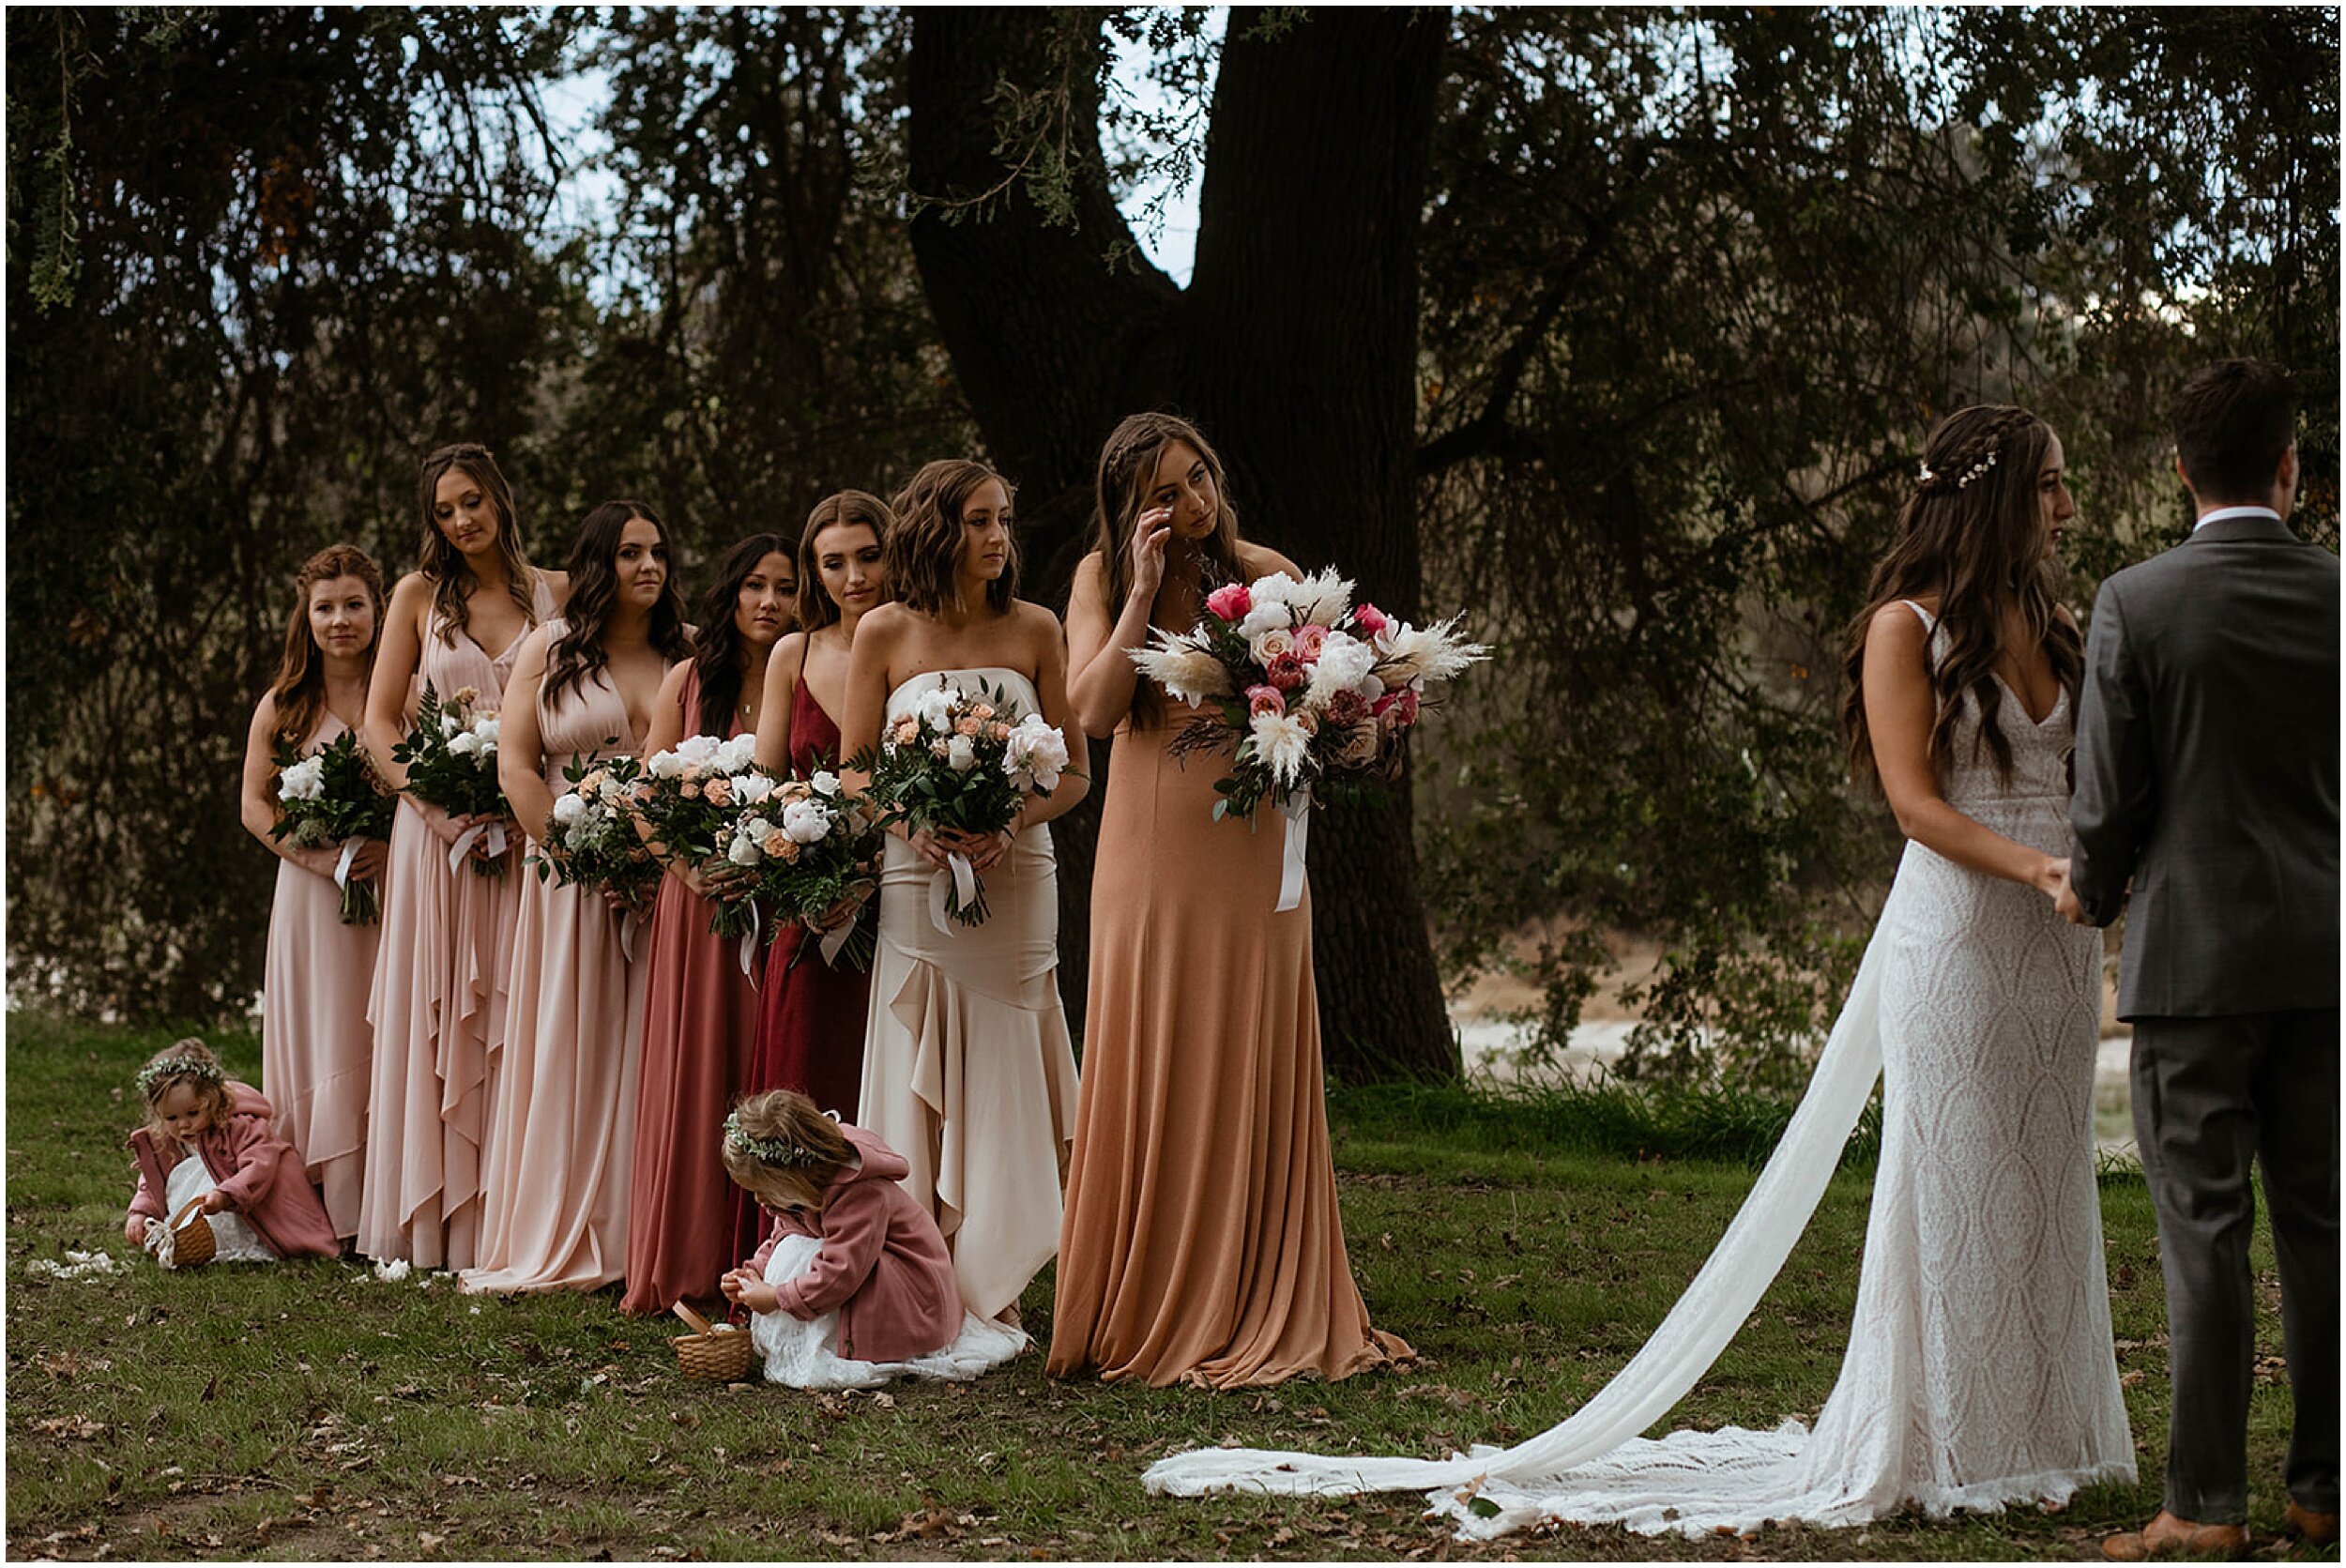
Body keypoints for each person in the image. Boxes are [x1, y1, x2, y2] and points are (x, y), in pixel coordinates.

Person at [1146, 404, 2136, 1535]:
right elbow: (1914, 806)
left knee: (2045, 1179)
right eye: (2050, 484)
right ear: (1996, 493)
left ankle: (2047, 1432)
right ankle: (1948, 1435)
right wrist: (2034, 866)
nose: (2065, 505)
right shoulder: (1902, 629)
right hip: (1963, 933)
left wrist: (2107, 867)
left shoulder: (2057, 623)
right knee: (1954, 1179)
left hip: (2055, 945)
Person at [1048, 412, 1413, 1387]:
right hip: (1148, 839)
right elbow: (1087, 708)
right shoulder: (1096, 579)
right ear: (1130, 505)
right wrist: (1134, 591)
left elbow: (1332, 704)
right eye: (1166, 491)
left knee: (1247, 1034)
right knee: (1155, 1035)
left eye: (1198, 476)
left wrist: (1349, 719)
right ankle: (1147, 1289)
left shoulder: (1267, 572)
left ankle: (1256, 1283)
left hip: (1254, 838)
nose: (1193, 502)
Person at [2059, 359, 2339, 1560]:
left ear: (2180, 470)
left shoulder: (2136, 600)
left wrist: (2092, 883)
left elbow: (2109, 790)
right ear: (2289, 467)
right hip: (2328, 957)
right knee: (2325, 1229)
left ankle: (2203, 1506)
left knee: (2204, 1227)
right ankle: (2324, 1492)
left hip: (2189, 961)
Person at [835, 458, 1087, 1327]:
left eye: (1005, 521)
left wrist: (1011, 822)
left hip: (1018, 877)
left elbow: (1076, 773)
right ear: (938, 528)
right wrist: (914, 827)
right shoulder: (883, 634)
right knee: (919, 1050)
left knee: (1012, 1048)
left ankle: (1000, 1274)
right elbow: (856, 770)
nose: (998, 539)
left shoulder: (1037, 629)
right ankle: (917, 1269)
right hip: (918, 875)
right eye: (981, 521)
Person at [461, 501, 688, 1295]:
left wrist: (662, 857)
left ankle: (648, 1224)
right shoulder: (549, 649)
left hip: (667, 881)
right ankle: (567, 1223)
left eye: (657, 551)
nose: (648, 566)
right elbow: (518, 766)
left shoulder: (687, 653)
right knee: (574, 1033)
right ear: (598, 563)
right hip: (571, 879)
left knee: (656, 1041)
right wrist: (573, 849)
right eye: (629, 553)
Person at [358, 443, 564, 1269]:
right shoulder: (417, 596)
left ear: (501, 498)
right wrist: (432, 803)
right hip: (433, 838)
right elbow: (379, 724)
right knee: (440, 1012)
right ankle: (432, 1227)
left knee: (516, 1014)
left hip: (522, 837)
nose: (461, 520)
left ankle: (507, 1222)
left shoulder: (556, 592)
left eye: (471, 501)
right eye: (444, 510)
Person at [621, 532, 796, 1317]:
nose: (769, 601)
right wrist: (688, 872)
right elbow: (643, 796)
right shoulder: (689, 680)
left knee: (771, 1069)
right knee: (702, 1075)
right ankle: (692, 1254)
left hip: (782, 903)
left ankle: (769, 1259)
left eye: (785, 587)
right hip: (699, 911)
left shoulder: (815, 674)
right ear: (729, 597)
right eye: (754, 585)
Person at [238, 544, 389, 1243]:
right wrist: (324, 855)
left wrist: (388, 844)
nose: (340, 620)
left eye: (353, 604)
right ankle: (318, 1199)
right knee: (324, 1024)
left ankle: (384, 1194)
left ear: (376, 608)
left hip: (390, 888)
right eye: (325, 607)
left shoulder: (402, 694)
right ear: (306, 615)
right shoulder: (286, 705)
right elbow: (255, 806)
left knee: (376, 1024)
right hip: (310, 894)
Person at [744, 493, 891, 1175]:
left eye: (869, 555)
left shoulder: (915, 641)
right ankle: (790, 1252)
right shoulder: (791, 653)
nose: (854, 576)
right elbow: (765, 788)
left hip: (902, 896)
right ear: (814, 571)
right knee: (800, 1078)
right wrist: (807, 880)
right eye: (835, 563)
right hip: (810, 902)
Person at [719, 1088, 1027, 1389]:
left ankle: (859, 1344)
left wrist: (777, 1297)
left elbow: (840, 1272)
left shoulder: (859, 1192)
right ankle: (818, 1335)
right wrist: (754, 1272)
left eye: (765, 1189)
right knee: (799, 1246)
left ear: (793, 1176)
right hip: (856, 1271)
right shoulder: (805, 1188)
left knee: (808, 1252)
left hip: (905, 1287)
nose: (760, 1200)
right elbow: (785, 1233)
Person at [123, 1041, 339, 1265]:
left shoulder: (239, 1126)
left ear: (212, 1099)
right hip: (200, 1208)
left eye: (192, 1113)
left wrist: (228, 1193)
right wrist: (140, 1212)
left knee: (209, 1176)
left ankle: (231, 1244)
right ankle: (189, 1238)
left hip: (246, 1207)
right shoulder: (166, 1141)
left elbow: (260, 1163)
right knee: (184, 1173)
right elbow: (152, 1181)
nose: (183, 1125)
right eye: (171, 1118)